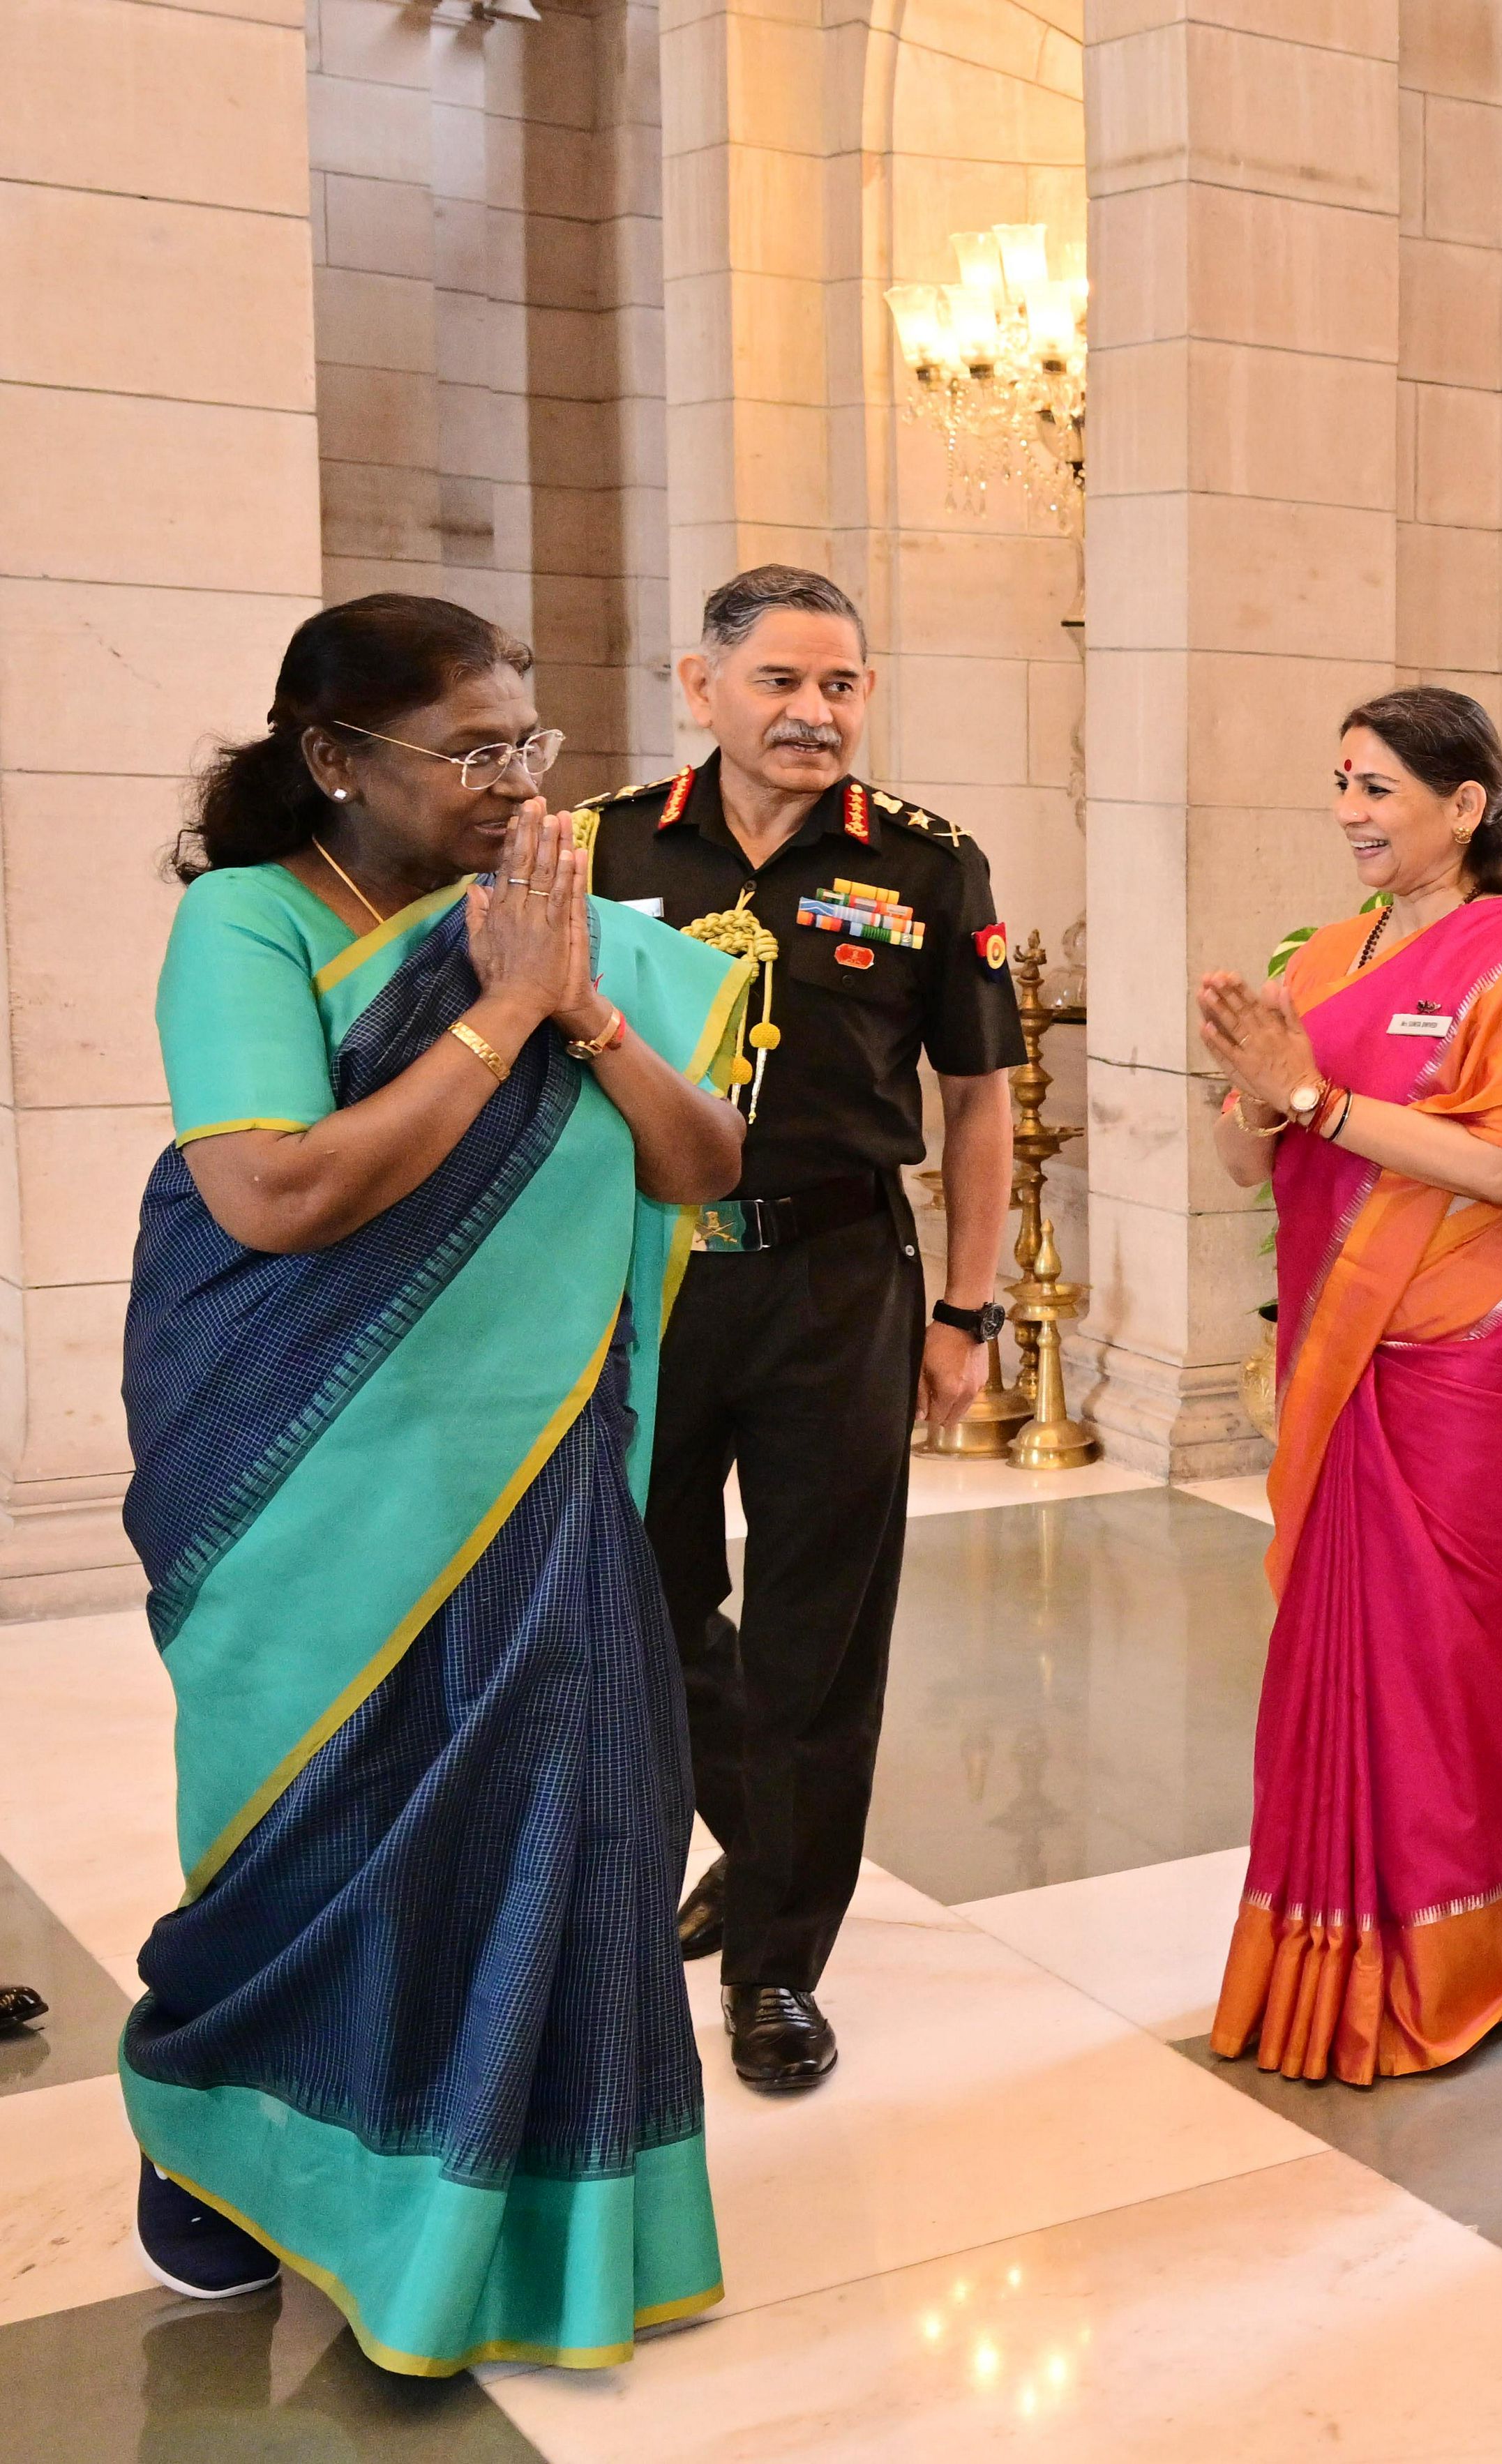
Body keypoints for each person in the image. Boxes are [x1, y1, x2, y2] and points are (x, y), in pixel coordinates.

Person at [119, 595, 751, 2371]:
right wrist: (502, 1013)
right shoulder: (249, 922)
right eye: (470, 750)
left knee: (577, 1829)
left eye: (525, 744)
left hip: (536, 1468)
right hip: (308, 1471)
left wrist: (582, 1009)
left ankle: (528, 2205)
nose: (514, 782)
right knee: (313, 1819)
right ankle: (221, 2131)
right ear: (335, 757)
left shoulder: (545, 919)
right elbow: (275, 1196)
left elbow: (704, 1165)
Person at [579, 566, 1028, 2094]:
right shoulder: (602, 846)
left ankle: (776, 1960)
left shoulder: (925, 864)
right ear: (700, 685)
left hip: (839, 1280)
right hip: (646, 1275)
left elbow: (978, 1103)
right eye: (779, 680)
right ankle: (756, 1830)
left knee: (819, 1634)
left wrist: (967, 1308)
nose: (812, 713)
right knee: (645, 1596)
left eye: (840, 685)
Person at [1198, 685, 1502, 2086]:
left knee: (1460, 1670)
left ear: (1465, 807)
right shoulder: (1326, 957)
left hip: (1471, 1374)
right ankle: (1328, 1964)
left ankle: (1474, 1956)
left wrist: (1317, 1098)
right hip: (1338, 1357)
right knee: (1334, 1667)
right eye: (1341, 781)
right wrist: (1259, 1085)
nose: (1350, 811)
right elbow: (1248, 1158)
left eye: (1379, 787)